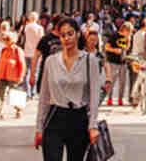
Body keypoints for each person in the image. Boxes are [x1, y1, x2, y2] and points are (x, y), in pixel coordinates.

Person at [35, 19, 101, 161]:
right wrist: (39, 128)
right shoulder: (51, 62)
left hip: (79, 118)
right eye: (62, 35)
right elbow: (44, 97)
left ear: (78, 34)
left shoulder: (90, 61)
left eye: (70, 34)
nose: (66, 38)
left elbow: (95, 96)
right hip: (55, 116)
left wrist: (93, 125)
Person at [0, 24, 26, 120]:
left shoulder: (17, 50)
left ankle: (19, 110)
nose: (5, 41)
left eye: (8, 39)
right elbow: (0, 62)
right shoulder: (3, 50)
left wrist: (21, 76)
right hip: (2, 75)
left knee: (15, 94)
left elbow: (22, 64)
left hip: (13, 76)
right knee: (0, 94)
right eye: (5, 39)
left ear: (13, 40)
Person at [102, 24, 127, 107]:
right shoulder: (114, 36)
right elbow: (106, 47)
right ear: (124, 29)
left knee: (122, 82)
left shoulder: (128, 37)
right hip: (113, 62)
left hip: (123, 62)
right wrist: (114, 50)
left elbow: (127, 48)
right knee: (112, 81)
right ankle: (109, 99)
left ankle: (120, 99)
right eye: (128, 32)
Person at [19, 14, 44, 93]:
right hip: (36, 53)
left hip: (26, 52)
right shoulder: (40, 28)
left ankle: (26, 91)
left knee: (26, 72)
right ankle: (33, 91)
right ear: (36, 19)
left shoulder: (26, 27)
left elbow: (22, 38)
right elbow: (41, 40)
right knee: (34, 72)